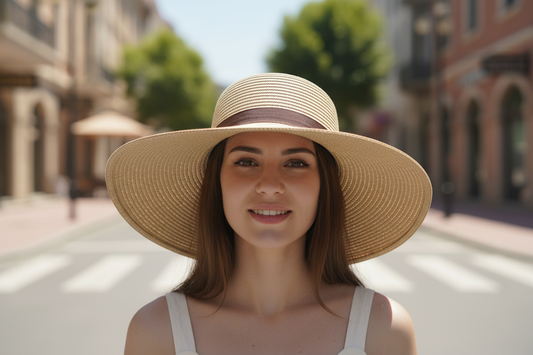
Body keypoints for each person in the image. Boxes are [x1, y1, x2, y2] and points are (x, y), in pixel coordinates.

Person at [106, 73, 432, 355]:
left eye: (296, 163)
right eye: (246, 161)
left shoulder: (384, 330)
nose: (270, 185)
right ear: (216, 181)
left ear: (324, 186)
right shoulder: (155, 332)